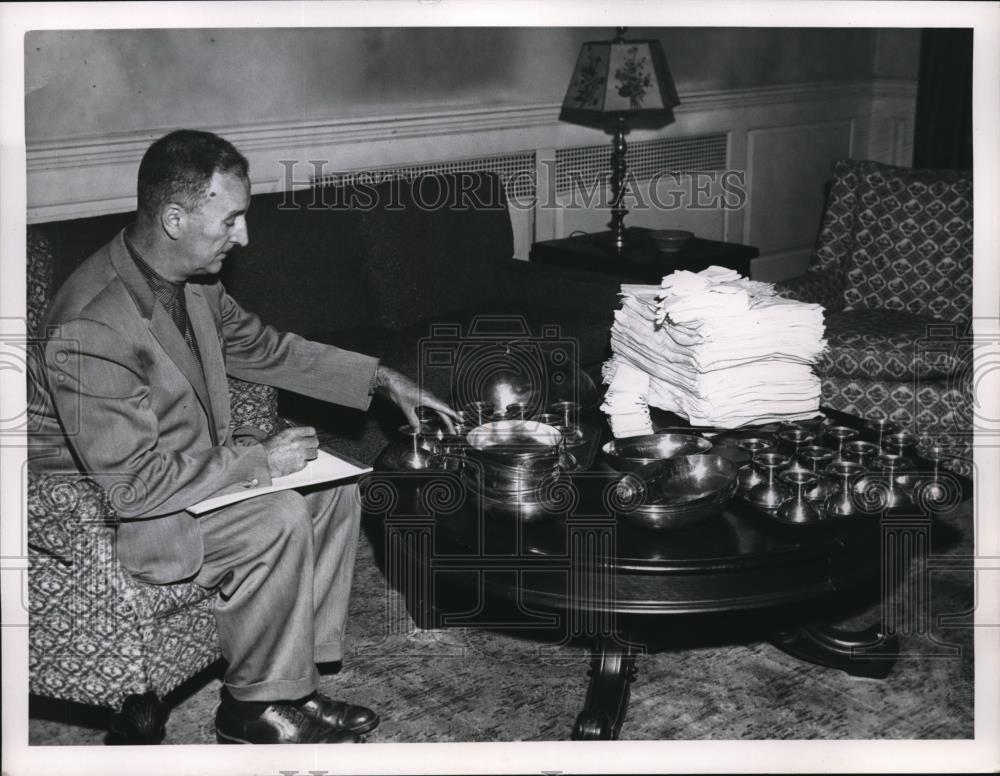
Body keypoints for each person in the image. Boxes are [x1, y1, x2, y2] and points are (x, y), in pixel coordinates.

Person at [29, 129, 459, 744]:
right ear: (175, 219)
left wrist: (385, 380)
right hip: (114, 519)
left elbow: (265, 348)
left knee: (334, 487)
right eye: (230, 219)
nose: (244, 237)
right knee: (279, 512)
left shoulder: (192, 282)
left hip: (182, 479)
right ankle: (249, 711)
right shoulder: (90, 326)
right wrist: (258, 461)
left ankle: (292, 687)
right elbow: (133, 488)